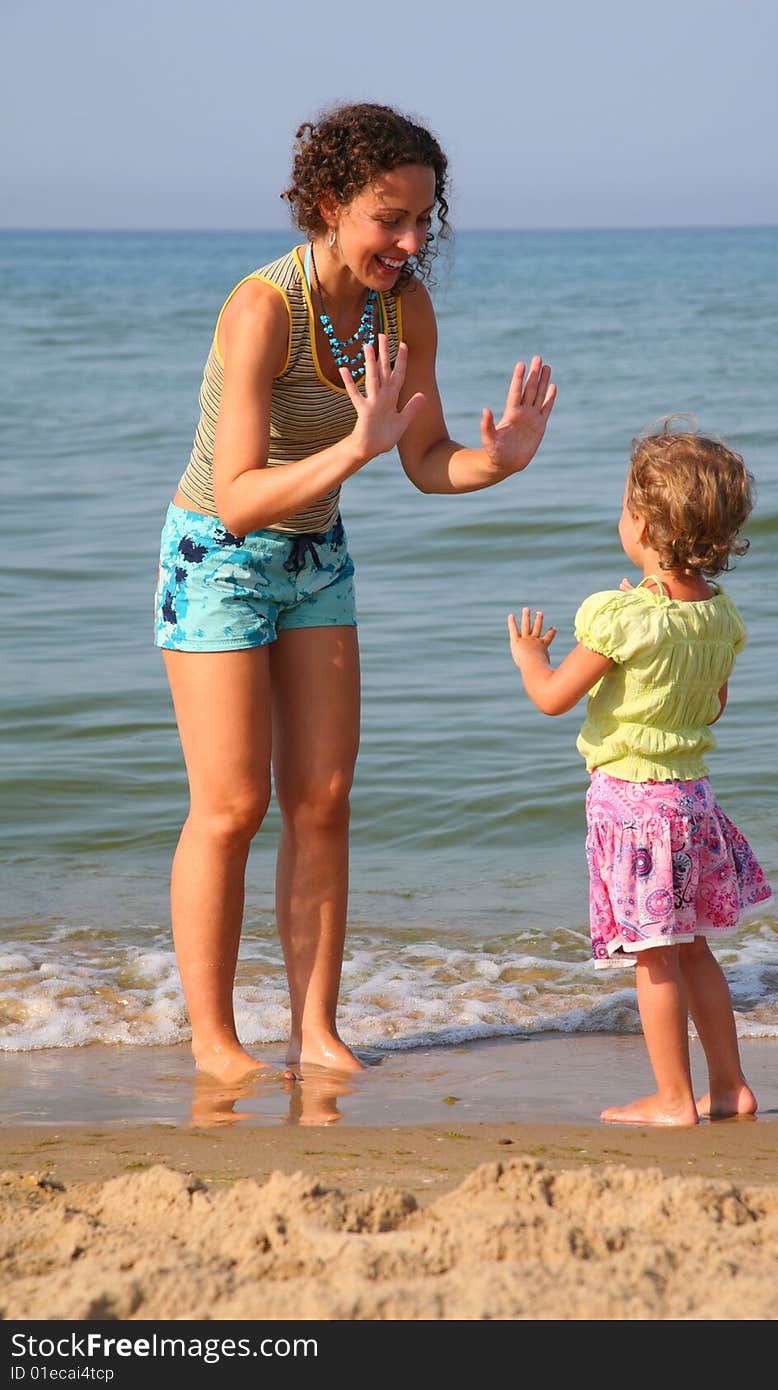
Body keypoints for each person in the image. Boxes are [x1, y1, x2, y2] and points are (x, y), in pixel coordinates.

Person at [153, 102, 556, 1084]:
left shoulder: (402, 307)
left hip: (316, 552)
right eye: (389, 220)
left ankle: (315, 1030)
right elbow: (240, 499)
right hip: (217, 555)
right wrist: (350, 446)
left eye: (424, 220)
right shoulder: (261, 309)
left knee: (324, 797)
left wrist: (495, 461)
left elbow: (423, 461)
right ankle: (214, 1041)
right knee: (233, 803)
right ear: (329, 206)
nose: (410, 242)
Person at [507, 421, 771, 1126]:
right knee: (695, 953)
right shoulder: (719, 617)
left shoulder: (619, 616)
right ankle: (729, 1086)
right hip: (693, 802)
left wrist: (531, 657)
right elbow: (710, 708)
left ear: (648, 525)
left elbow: (553, 698)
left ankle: (671, 1099)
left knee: (652, 958)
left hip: (635, 811)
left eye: (628, 506)